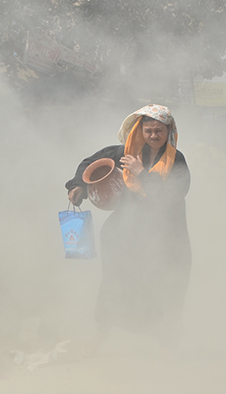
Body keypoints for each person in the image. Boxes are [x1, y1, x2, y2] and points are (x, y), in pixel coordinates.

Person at [65, 104, 191, 350]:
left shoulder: (176, 160)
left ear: (169, 132)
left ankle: (165, 339)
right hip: (125, 231)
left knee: (160, 285)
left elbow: (174, 194)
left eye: (159, 131)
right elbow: (90, 163)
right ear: (139, 131)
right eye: (148, 131)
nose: (153, 136)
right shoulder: (126, 152)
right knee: (114, 281)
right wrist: (78, 184)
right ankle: (101, 333)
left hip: (164, 235)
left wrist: (141, 173)